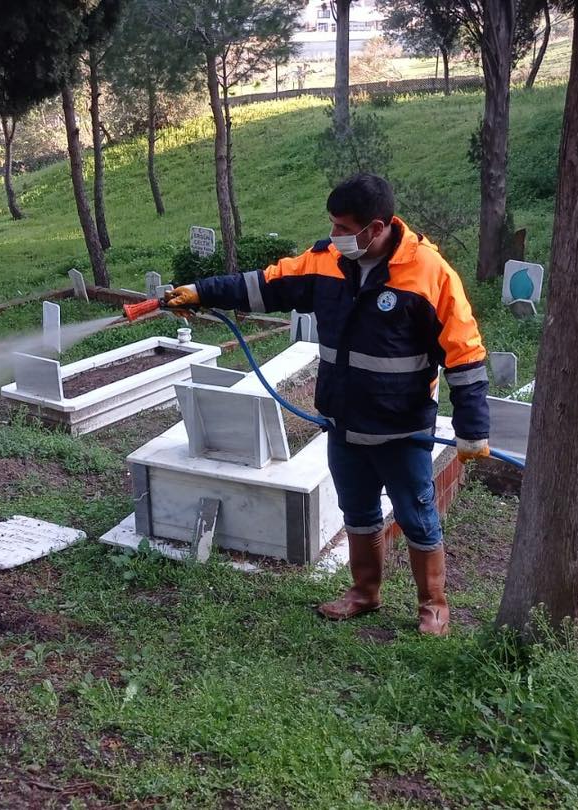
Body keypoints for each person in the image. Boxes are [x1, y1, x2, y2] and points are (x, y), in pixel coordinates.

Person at [165, 174, 492, 636]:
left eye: (344, 227)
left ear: (375, 228)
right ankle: (364, 593)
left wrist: (473, 428)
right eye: (333, 226)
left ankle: (432, 604)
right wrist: (202, 291)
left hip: (401, 430)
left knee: (417, 514)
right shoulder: (326, 262)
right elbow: (265, 284)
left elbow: (464, 351)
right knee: (357, 511)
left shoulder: (429, 272)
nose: (336, 235)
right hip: (343, 423)